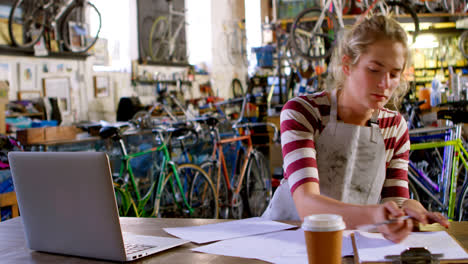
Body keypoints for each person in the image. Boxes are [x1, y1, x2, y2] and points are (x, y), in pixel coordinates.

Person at [262, 14, 449, 243]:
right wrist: (375, 216)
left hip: (353, 241)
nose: (384, 84)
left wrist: (410, 210)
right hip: (285, 237)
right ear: (347, 65)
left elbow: (395, 200)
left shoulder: (394, 127)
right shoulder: (304, 113)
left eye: (394, 74)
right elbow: (306, 205)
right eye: (374, 70)